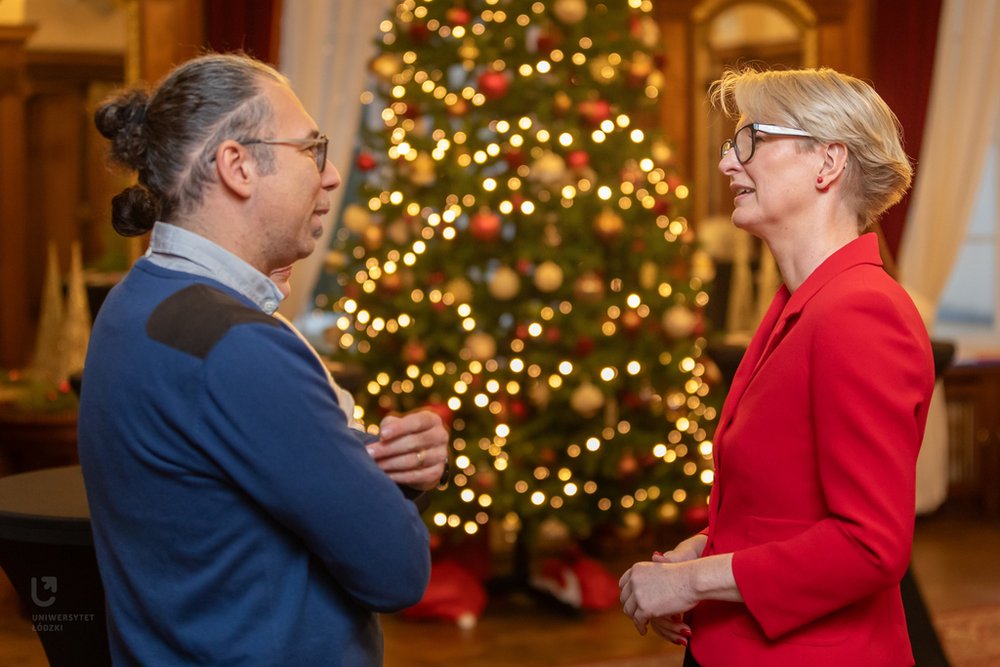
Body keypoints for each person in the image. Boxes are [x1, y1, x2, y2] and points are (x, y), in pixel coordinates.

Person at [78, 53, 447, 665]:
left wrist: (392, 468)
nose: (330, 177)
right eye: (311, 149)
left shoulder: (135, 300)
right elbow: (397, 573)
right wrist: (391, 487)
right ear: (238, 165)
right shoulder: (236, 346)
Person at [619, 66, 935, 666]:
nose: (728, 165)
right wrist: (704, 550)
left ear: (828, 163)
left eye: (751, 141)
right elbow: (787, 507)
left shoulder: (860, 312)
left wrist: (692, 583)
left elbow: (871, 545)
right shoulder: (799, 304)